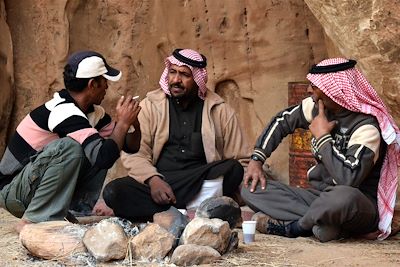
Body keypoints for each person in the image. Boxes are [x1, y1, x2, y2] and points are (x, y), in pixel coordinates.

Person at [241, 58, 400, 242]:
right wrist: (256, 159)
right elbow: (282, 121)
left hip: (356, 203)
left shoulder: (367, 126)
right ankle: (328, 225)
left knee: (342, 198)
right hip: (318, 196)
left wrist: (323, 138)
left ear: (335, 91)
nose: (309, 90)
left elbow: (347, 180)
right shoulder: (317, 107)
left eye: (314, 86)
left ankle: (296, 227)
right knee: (250, 189)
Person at [96, 48, 251, 220]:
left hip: (200, 179)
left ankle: (170, 211)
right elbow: (135, 154)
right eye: (172, 72)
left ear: (198, 79)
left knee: (233, 169)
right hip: (162, 181)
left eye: (184, 74)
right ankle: (195, 209)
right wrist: (153, 180)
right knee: (114, 192)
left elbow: (241, 159)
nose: (176, 80)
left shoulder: (219, 110)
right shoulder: (150, 106)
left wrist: (244, 192)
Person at [0, 50, 141, 232]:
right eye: (104, 81)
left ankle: (73, 210)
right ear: (92, 84)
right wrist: (122, 123)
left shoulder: (94, 113)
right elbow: (104, 158)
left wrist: (131, 122)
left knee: (100, 145)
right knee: (71, 148)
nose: (107, 87)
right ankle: (32, 222)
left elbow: (129, 146)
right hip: (13, 193)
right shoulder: (62, 111)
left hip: (31, 186)